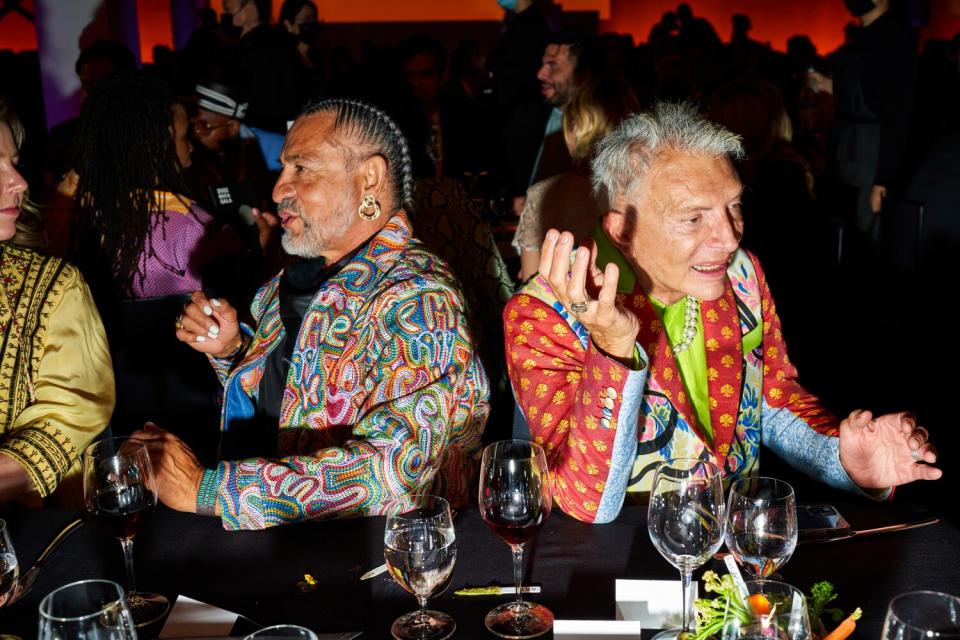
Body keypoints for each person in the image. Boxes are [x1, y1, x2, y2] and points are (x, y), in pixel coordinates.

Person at [503, 103, 941, 523]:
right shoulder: (542, 314)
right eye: (694, 219)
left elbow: (772, 399)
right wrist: (614, 349)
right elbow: (587, 503)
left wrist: (844, 460)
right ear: (622, 230)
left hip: (731, 559)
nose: (729, 238)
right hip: (622, 569)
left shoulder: (742, 274)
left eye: (733, 206)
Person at [130, 99, 489, 530]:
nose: (279, 188)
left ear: (369, 179)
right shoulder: (295, 277)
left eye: (302, 168)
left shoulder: (419, 299)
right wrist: (234, 352)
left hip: (386, 562)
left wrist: (206, 490)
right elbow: (296, 403)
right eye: (284, 168)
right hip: (292, 550)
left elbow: (394, 471)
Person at [0, 99, 114, 506]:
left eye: (13, 163)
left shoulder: (53, 287)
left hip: (34, 542)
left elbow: (70, 417)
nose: (19, 182)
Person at [513, 75, 640, 280]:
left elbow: (532, 286)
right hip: (637, 310)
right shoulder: (649, 190)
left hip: (563, 310)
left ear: (575, 128)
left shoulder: (545, 194)